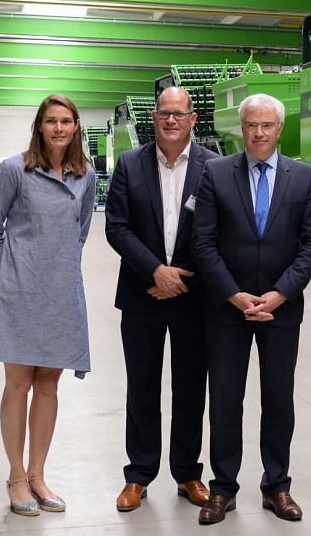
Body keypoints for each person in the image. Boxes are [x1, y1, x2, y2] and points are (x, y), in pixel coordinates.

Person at [192, 93, 311, 525]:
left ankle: (277, 486)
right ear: (242, 128)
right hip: (227, 310)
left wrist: (281, 292)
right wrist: (234, 295)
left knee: (278, 399)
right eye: (252, 125)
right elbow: (203, 242)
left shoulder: (303, 177)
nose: (259, 133)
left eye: (267, 125)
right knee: (226, 399)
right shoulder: (215, 174)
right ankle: (223, 489)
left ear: (279, 129)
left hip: (281, 310)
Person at [0, 94, 96, 516]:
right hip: (19, 290)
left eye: (67, 121)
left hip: (62, 291)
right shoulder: (15, 170)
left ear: (77, 126)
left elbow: (80, 231)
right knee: (18, 384)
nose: (59, 128)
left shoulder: (85, 175)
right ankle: (15, 477)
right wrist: (13, 271)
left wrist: (58, 268)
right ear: (39, 126)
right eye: (51, 121)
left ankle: (38, 474)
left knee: (49, 383)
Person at [105, 87, 218, 512]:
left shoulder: (214, 166)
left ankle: (188, 472)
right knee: (142, 386)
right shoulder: (130, 164)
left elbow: (217, 230)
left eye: (179, 114)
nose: (171, 121)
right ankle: (139, 475)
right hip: (142, 293)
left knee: (191, 387)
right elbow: (116, 226)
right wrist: (155, 270)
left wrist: (180, 278)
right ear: (154, 118)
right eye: (164, 114)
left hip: (194, 296)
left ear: (193, 119)